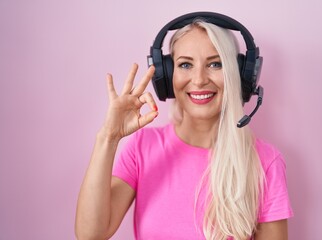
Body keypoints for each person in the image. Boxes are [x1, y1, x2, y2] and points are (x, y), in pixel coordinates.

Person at [75, 12, 293, 240]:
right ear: (167, 76)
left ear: (237, 75)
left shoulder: (266, 162)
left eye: (215, 64)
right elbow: (90, 234)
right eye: (185, 64)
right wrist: (108, 137)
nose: (199, 79)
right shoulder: (142, 147)